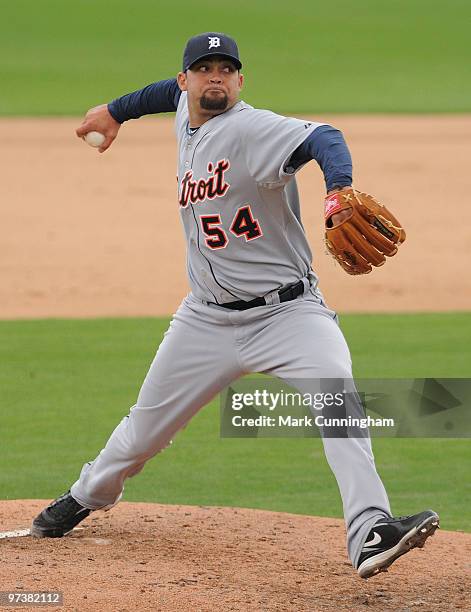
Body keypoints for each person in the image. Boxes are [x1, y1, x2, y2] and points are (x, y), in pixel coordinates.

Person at [31, 32, 439, 579]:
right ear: (187, 82)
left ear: (241, 81)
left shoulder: (252, 129)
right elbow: (159, 95)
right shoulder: (183, 110)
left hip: (289, 315)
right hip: (204, 318)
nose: (215, 77)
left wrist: (338, 189)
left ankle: (369, 531)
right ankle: (85, 496)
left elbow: (325, 137)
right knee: (145, 430)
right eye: (204, 69)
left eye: (227, 69)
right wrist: (113, 111)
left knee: (337, 399)